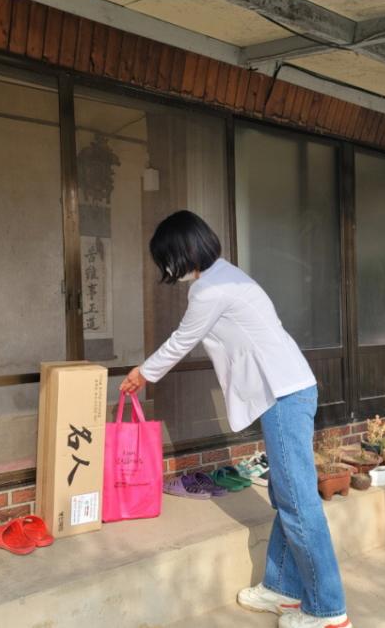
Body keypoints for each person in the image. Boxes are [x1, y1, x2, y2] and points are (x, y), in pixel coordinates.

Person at [120, 210, 352, 628]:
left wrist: (143, 373)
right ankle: (281, 588)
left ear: (181, 251)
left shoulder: (210, 290)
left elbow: (182, 340)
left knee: (298, 503)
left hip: (283, 395)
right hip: (288, 390)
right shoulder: (228, 275)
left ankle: (328, 611)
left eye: (166, 258)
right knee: (287, 496)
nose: (167, 269)